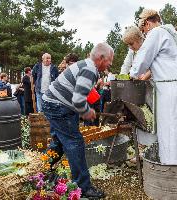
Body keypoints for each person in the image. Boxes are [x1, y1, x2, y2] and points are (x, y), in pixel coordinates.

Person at [42, 43, 114, 199]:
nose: (110, 65)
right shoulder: (90, 69)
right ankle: (83, 186)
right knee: (75, 142)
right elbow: (78, 100)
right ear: (101, 58)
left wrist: (84, 109)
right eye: (109, 61)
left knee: (59, 142)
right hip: (57, 106)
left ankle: (43, 170)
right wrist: (87, 112)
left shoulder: (85, 65)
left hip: (52, 102)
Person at [130, 9, 177, 165]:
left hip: (170, 89)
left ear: (147, 23)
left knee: (171, 130)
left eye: (143, 30)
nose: (144, 34)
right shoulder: (171, 33)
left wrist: (133, 74)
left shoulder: (156, 33)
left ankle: (173, 166)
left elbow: (142, 59)